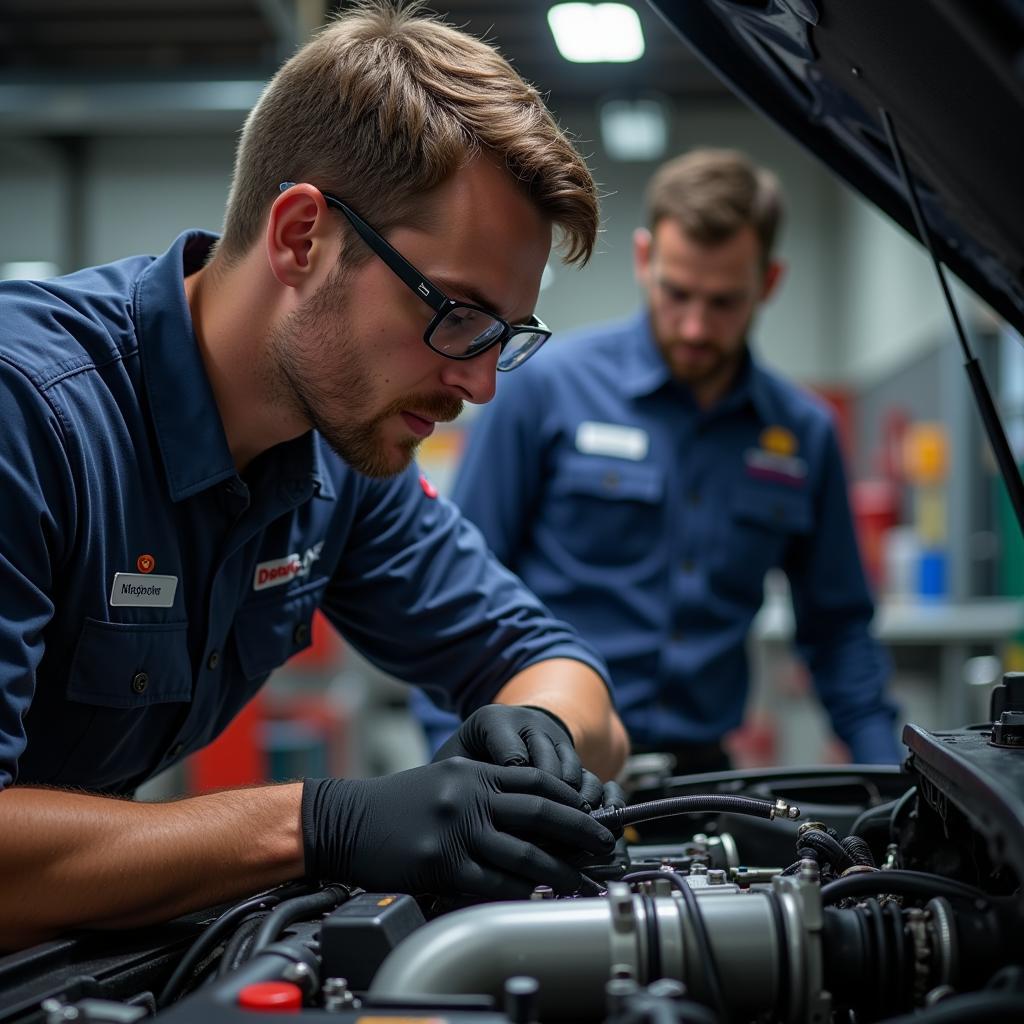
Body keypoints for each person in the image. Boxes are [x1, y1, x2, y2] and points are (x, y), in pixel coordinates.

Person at [0, 2, 629, 951]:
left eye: (507, 335)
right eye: (457, 313)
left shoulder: (342, 453)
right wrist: (316, 823)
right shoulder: (29, 415)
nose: (482, 380)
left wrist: (536, 736)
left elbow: (557, 670)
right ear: (301, 237)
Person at [412, 147, 900, 773]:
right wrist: (447, 763)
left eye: (723, 302)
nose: (695, 327)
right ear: (645, 259)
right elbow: (455, 590)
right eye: (678, 293)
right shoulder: (546, 390)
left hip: (704, 776)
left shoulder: (802, 433)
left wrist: (886, 779)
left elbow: (838, 631)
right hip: (551, 764)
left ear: (768, 284)